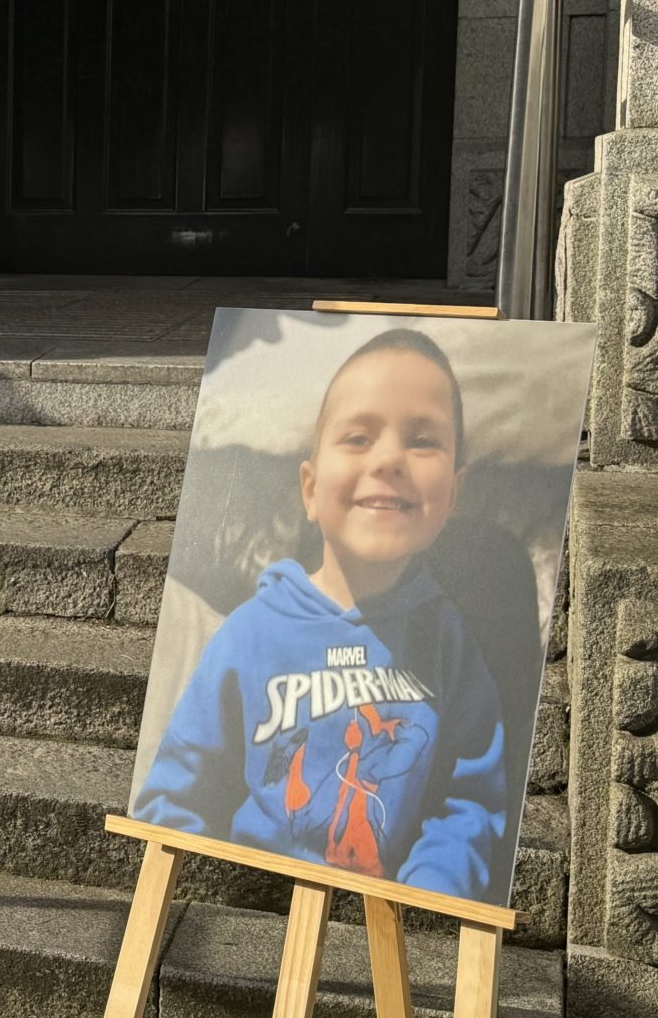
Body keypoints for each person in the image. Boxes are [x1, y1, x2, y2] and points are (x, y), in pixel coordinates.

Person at [132, 329, 510, 902]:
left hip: (389, 921)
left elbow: (472, 802)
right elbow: (175, 797)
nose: (388, 459)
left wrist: (429, 894)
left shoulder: (446, 637)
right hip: (252, 912)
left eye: (423, 440)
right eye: (358, 437)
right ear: (309, 490)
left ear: (453, 494)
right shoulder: (248, 634)